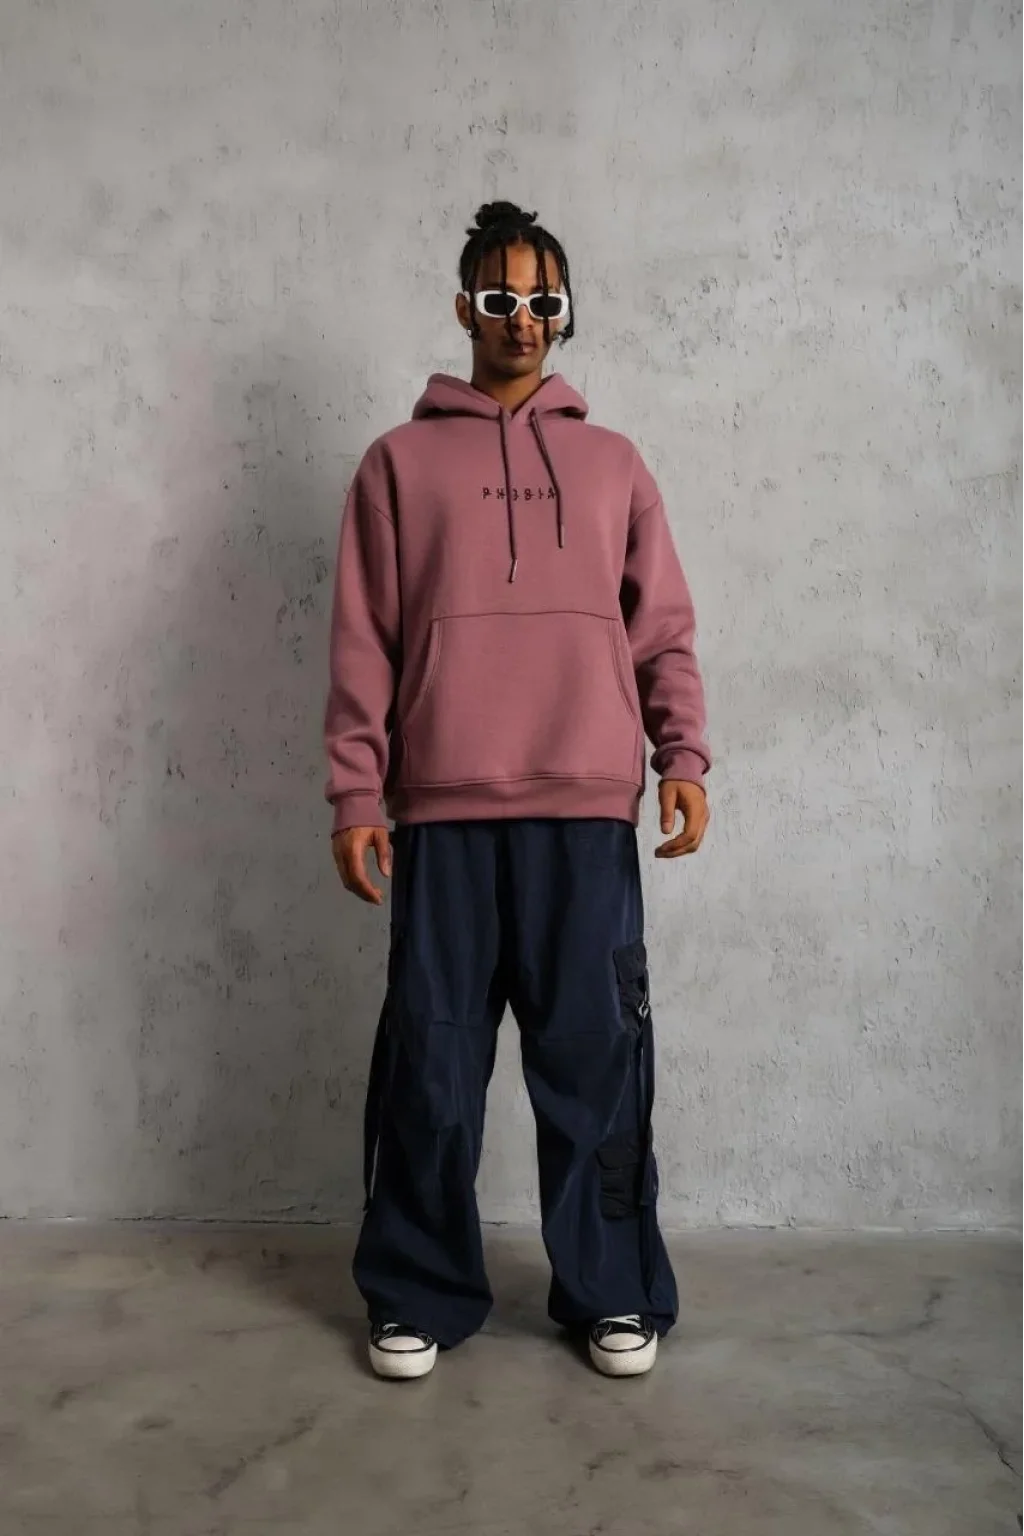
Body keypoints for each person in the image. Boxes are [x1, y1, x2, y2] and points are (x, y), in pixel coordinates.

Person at [324, 200, 711, 1381]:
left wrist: (682, 759)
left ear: (564, 311)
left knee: (595, 1063)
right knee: (432, 1069)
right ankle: (418, 1289)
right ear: (464, 308)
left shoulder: (614, 464)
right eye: (501, 299)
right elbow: (363, 642)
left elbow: (662, 630)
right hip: (443, 813)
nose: (524, 320)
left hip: (585, 812)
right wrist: (355, 795)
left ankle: (612, 1288)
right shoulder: (397, 466)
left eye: (544, 301)